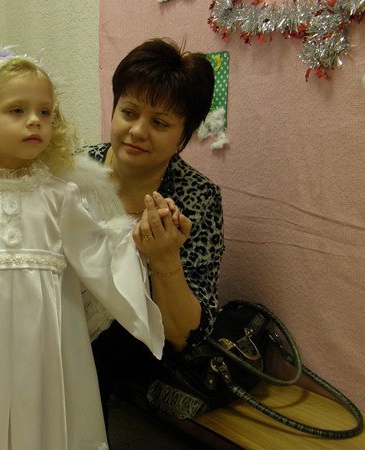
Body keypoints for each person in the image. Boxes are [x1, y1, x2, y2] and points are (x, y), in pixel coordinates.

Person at [0, 46, 179, 449]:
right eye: (17, 110)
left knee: (50, 415)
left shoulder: (61, 195)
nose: (34, 121)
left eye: (45, 112)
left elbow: (97, 251)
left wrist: (135, 239)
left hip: (50, 341)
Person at [84, 38, 225, 425]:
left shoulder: (196, 197)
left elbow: (184, 336)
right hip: (66, 314)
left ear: (183, 136)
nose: (137, 131)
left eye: (159, 123)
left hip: (140, 338)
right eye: (129, 112)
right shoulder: (77, 170)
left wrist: (164, 258)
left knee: (94, 346)